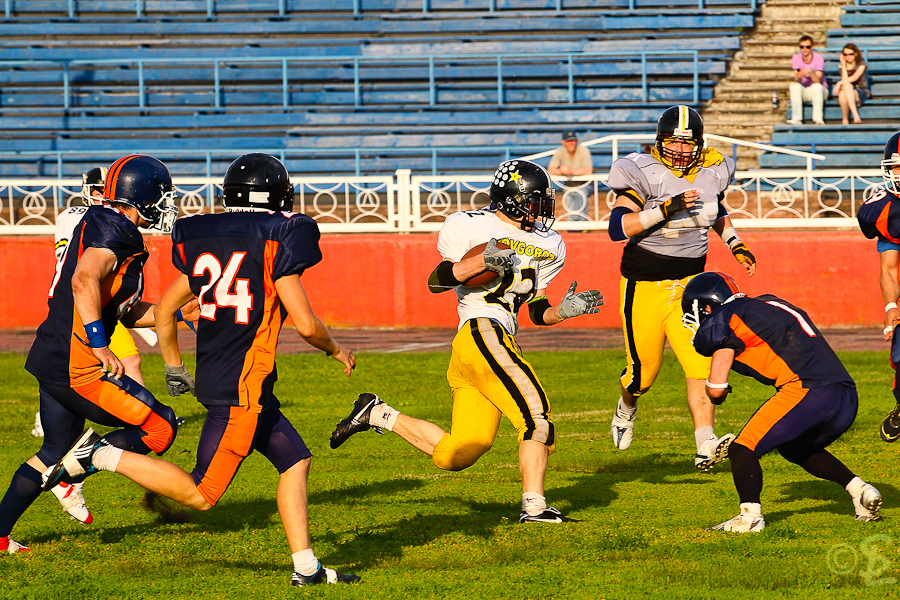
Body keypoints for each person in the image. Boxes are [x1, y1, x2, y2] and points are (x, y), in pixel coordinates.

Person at [43, 154, 360, 586]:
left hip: (226, 376)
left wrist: (174, 364)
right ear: (277, 196)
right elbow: (306, 325)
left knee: (296, 460)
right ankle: (99, 454)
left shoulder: (206, 235)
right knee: (202, 494)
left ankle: (307, 568)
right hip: (242, 385)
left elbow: (167, 310)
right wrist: (336, 349)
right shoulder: (280, 236)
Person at [329, 159, 602, 524]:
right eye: (535, 201)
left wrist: (563, 312)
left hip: (492, 341)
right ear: (511, 200)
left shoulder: (550, 243)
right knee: (536, 416)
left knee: (460, 451)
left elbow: (536, 310)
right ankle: (535, 507)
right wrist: (481, 262)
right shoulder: (469, 224)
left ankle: (377, 413)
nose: (541, 210)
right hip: (481, 330)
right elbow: (438, 280)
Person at [0, 155, 185, 555]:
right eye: (162, 196)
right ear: (141, 196)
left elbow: (123, 310)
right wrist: (100, 344)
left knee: (52, 453)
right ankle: (86, 461)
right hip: (79, 366)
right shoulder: (116, 231)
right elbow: (84, 280)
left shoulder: (105, 223)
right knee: (162, 427)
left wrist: (177, 312)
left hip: (52, 356)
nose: (166, 205)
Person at [606, 105, 756, 470]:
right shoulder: (643, 171)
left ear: (699, 144)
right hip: (645, 285)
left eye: (688, 143)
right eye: (674, 141)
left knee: (700, 363)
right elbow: (617, 228)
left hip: (690, 285)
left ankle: (705, 443)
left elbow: (715, 209)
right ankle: (627, 406)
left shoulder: (712, 169)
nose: (681, 150)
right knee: (642, 375)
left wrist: (735, 243)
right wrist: (665, 209)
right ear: (660, 142)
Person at [681, 271, 882, 532]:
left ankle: (750, 518)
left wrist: (713, 391)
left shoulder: (725, 318)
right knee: (795, 448)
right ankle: (861, 491)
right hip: (845, 395)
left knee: (742, 448)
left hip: (808, 391)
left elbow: (717, 389)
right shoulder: (769, 302)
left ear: (707, 307)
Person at [856, 131, 900, 442]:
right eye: (896, 167)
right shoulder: (885, 209)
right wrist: (891, 306)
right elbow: (889, 267)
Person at [548, 130, 593, 222]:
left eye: (573, 140)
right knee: (570, 201)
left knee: (580, 196)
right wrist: (561, 171)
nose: (571, 143)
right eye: (568, 141)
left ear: (576, 141)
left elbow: (588, 170)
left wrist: (570, 171)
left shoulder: (583, 150)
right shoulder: (560, 151)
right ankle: (574, 225)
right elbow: (551, 169)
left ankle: (580, 224)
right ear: (563, 142)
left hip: (585, 185)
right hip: (569, 186)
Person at [788, 35, 829, 125]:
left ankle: (818, 119)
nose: (804, 49)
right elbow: (797, 77)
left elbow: (817, 80)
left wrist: (810, 71)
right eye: (802, 47)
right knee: (794, 86)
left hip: (821, 91)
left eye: (807, 47)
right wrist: (797, 77)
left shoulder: (819, 59)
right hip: (806, 90)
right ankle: (796, 119)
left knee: (816, 86)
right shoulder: (796, 58)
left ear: (812, 47)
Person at [831, 43, 868, 125]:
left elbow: (855, 77)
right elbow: (845, 80)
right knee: (842, 93)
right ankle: (847, 119)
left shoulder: (861, 64)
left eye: (851, 54)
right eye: (845, 54)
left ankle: (851, 116)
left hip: (860, 91)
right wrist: (844, 65)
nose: (848, 56)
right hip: (847, 92)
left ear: (856, 54)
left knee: (846, 86)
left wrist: (839, 83)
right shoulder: (841, 66)